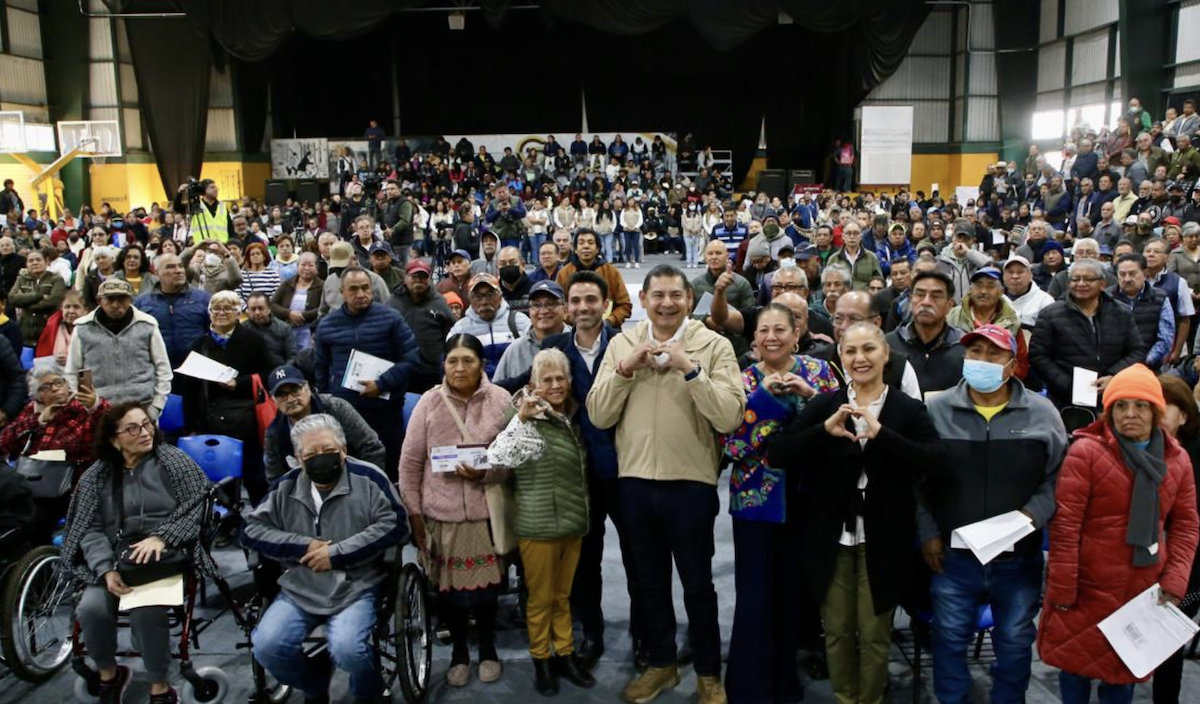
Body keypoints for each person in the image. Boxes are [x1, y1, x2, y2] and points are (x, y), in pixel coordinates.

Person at [587, 265, 745, 704]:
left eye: (676, 295)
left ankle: (709, 673)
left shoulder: (714, 346)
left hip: (691, 484)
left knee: (698, 584)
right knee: (649, 583)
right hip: (635, 483)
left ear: (689, 300)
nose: (667, 303)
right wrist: (624, 369)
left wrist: (690, 370)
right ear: (643, 301)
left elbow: (730, 416)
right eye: (657, 295)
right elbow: (598, 415)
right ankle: (662, 664)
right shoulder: (621, 343)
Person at [767, 322, 941, 704]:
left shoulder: (907, 409)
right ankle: (846, 697)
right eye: (850, 352)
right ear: (840, 358)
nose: (859, 359)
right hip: (832, 537)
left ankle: (871, 699)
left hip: (885, 537)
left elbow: (934, 461)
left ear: (885, 356)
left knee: (875, 633)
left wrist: (884, 435)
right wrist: (822, 431)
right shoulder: (826, 404)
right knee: (839, 631)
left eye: (868, 350)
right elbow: (778, 453)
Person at [923, 325, 1067, 704]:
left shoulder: (1042, 412)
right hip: (953, 558)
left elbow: (1058, 477)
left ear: (1012, 364)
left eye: (993, 354)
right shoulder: (935, 410)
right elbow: (916, 480)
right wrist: (927, 533)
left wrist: (1032, 517)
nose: (982, 361)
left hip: (1017, 559)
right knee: (949, 637)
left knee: (1016, 642)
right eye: (975, 353)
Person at [1039, 364, 1199, 704]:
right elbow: (1066, 526)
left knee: (1120, 679)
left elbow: (1185, 525)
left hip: (1140, 591)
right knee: (1076, 671)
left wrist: (1176, 580)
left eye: (1141, 405)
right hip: (1085, 588)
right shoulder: (1086, 452)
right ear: (1108, 410)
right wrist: (1063, 587)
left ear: (1156, 410)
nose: (1130, 414)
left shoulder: (1178, 460)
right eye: (1121, 406)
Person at [245, 413, 407, 704]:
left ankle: (369, 694)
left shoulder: (369, 478)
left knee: (348, 649)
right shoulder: (285, 487)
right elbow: (252, 531)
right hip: (300, 586)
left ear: (343, 450)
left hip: (357, 585)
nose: (320, 458)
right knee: (266, 646)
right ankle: (315, 682)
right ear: (298, 457)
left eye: (328, 451)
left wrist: (337, 554)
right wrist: (301, 546)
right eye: (311, 454)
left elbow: (395, 524)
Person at [59, 402, 214, 704]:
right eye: (133, 428)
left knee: (147, 612)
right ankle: (109, 675)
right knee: (91, 609)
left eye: (147, 424)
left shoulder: (175, 462)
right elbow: (87, 529)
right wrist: (105, 568)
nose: (144, 432)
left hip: (166, 558)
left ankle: (159, 685)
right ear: (114, 440)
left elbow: (199, 508)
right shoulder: (96, 477)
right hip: (115, 559)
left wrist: (164, 537)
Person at [723, 303, 839, 704]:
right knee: (755, 594)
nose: (771, 337)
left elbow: (840, 429)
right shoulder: (742, 379)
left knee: (793, 594)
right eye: (763, 330)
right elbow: (733, 445)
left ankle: (787, 681)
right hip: (755, 501)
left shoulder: (819, 373)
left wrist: (807, 397)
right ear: (753, 339)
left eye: (780, 330)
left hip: (808, 498)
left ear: (796, 333)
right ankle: (750, 686)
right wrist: (763, 403)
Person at [398, 334, 512, 687]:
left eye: (468, 360)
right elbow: (410, 462)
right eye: (453, 361)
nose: (460, 368)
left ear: (482, 364)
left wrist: (487, 471)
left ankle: (489, 649)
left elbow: (514, 456)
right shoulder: (429, 403)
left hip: (485, 514)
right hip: (441, 515)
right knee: (449, 594)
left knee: (487, 593)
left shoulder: (500, 401)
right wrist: (415, 515)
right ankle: (460, 652)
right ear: (443, 364)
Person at [487, 349, 596, 694]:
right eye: (546, 379)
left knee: (563, 597)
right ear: (533, 384)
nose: (555, 385)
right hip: (537, 526)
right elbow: (498, 456)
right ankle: (541, 659)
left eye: (560, 378)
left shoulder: (577, 416)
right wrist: (520, 418)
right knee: (539, 599)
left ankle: (564, 653)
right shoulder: (524, 418)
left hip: (573, 523)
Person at [314, 267, 419, 481]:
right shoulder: (327, 325)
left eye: (365, 288)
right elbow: (321, 371)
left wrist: (382, 384)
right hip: (345, 417)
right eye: (353, 289)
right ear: (342, 291)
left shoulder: (391, 318)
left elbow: (411, 359)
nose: (361, 294)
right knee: (350, 476)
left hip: (386, 413)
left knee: (390, 474)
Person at [181, 290, 279, 503]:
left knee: (255, 476)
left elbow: (269, 372)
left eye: (228, 308)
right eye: (216, 308)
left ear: (238, 313)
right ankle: (226, 524)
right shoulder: (199, 344)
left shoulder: (254, 340)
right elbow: (189, 388)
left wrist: (240, 383)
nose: (221, 313)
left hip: (247, 420)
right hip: (210, 419)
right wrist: (191, 425)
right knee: (217, 480)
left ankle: (262, 518)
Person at [0, 360, 108, 542]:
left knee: (36, 518)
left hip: (75, 485)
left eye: (59, 382)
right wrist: (39, 420)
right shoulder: (31, 412)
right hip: (33, 484)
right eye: (47, 387)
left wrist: (95, 406)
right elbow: (3, 442)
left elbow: (113, 428)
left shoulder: (83, 408)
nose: (56, 389)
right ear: (38, 396)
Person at [1030, 258, 1145, 409]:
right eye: (1075, 279)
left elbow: (1137, 351)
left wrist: (1114, 376)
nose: (1081, 284)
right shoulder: (1051, 314)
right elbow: (1038, 356)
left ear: (1102, 283)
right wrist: (1068, 384)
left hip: (1112, 396)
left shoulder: (1120, 312)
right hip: (1064, 400)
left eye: (1089, 279)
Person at [1151, 374, 1200, 704]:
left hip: (1191, 562)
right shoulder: (1141, 446)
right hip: (1151, 557)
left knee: (1168, 633)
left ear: (1183, 414)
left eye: (1160, 406)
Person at [66, 279, 172, 418]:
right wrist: (84, 408)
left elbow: (164, 370)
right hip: (98, 410)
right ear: (99, 301)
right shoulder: (82, 328)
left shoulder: (147, 325)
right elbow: (72, 372)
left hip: (142, 408)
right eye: (110, 299)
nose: (116, 304)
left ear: (130, 300)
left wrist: (156, 407)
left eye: (122, 299)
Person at [263, 365, 385, 482]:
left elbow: (372, 448)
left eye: (295, 390)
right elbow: (275, 478)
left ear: (307, 388)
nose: (290, 399)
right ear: (273, 400)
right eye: (281, 395)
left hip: (353, 481)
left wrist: (365, 485)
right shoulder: (274, 432)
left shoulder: (337, 408)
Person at [885, 269, 965, 396]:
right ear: (911, 300)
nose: (926, 302)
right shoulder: (889, 345)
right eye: (920, 295)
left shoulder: (964, 347)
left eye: (936, 296)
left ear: (949, 305)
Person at [387, 258, 455, 394]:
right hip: (400, 371)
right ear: (405, 278)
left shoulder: (439, 302)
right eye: (414, 276)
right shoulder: (392, 303)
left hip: (431, 374)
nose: (419, 280)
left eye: (423, 277)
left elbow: (451, 335)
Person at [947, 267, 1030, 379]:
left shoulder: (1011, 322)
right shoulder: (952, 317)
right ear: (971, 290)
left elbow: (1021, 364)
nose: (983, 291)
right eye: (978, 286)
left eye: (990, 286)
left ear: (1001, 292)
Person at [446, 273, 532, 378]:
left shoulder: (520, 322)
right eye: (478, 296)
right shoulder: (459, 330)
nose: (484, 301)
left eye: (490, 295)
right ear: (470, 300)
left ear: (500, 296)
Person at [134, 253, 212, 369]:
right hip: (158, 368)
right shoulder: (142, 302)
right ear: (156, 273)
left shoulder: (203, 299)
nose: (178, 271)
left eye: (180, 266)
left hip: (196, 369)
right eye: (170, 267)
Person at [494, 280, 569, 392]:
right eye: (536, 305)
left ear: (565, 309)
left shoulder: (577, 342)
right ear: (529, 310)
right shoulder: (515, 350)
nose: (543, 311)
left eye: (551, 304)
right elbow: (496, 395)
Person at [693, 239, 756, 363]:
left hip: (736, 350)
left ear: (727, 256)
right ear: (705, 257)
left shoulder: (741, 284)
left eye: (718, 253)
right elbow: (686, 316)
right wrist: (706, 320)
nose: (714, 257)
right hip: (703, 346)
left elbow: (750, 317)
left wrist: (727, 322)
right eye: (710, 254)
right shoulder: (695, 285)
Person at [555, 228, 632, 327]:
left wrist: (610, 321)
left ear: (597, 249)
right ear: (575, 249)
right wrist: (573, 320)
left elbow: (625, 305)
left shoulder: (611, 272)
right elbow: (557, 305)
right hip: (573, 328)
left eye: (590, 243)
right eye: (581, 243)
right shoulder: (564, 273)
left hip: (608, 329)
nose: (586, 246)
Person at [1111, 253, 1175, 371]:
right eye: (1122, 274)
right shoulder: (1106, 297)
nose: (1127, 279)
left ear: (1145, 274)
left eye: (1132, 274)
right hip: (1111, 367)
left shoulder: (1160, 298)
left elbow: (1165, 339)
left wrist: (1144, 362)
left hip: (1147, 367)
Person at [10, 247, 67, 348]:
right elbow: (12, 298)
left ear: (46, 262)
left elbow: (55, 300)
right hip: (26, 333)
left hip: (49, 332)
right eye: (31, 261)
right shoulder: (21, 279)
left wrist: (26, 304)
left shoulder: (56, 279)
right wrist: (39, 296)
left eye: (38, 260)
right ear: (26, 264)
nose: (34, 263)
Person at [269, 251, 322, 352]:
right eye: (303, 265)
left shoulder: (322, 286)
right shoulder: (287, 284)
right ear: (297, 266)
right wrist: (289, 313)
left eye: (310, 265)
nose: (306, 268)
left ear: (317, 267)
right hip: (287, 328)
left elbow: (324, 308)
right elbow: (273, 305)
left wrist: (303, 316)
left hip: (310, 330)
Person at [937, 220, 991, 301]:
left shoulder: (977, 257)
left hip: (973, 306)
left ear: (973, 240)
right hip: (949, 308)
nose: (961, 240)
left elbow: (992, 266)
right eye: (958, 236)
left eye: (966, 238)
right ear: (953, 237)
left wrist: (968, 252)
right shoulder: (941, 259)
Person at [35, 290, 87, 366]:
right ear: (61, 309)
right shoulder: (52, 327)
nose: (71, 311)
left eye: (76, 307)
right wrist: (53, 359)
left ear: (86, 310)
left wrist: (72, 361)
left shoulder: (92, 330)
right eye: (67, 307)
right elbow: (42, 358)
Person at [245, 292, 297, 367]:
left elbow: (292, 356)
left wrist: (283, 371)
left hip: (278, 371)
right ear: (248, 311)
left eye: (261, 308)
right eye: (253, 309)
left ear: (269, 309)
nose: (257, 313)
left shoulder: (284, 328)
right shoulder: (242, 329)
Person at [828, 222, 883, 291]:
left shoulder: (871, 257)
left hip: (865, 297)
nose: (852, 237)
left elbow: (879, 281)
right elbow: (827, 282)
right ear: (843, 236)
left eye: (856, 233)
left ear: (861, 236)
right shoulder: (834, 259)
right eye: (848, 233)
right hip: (841, 298)